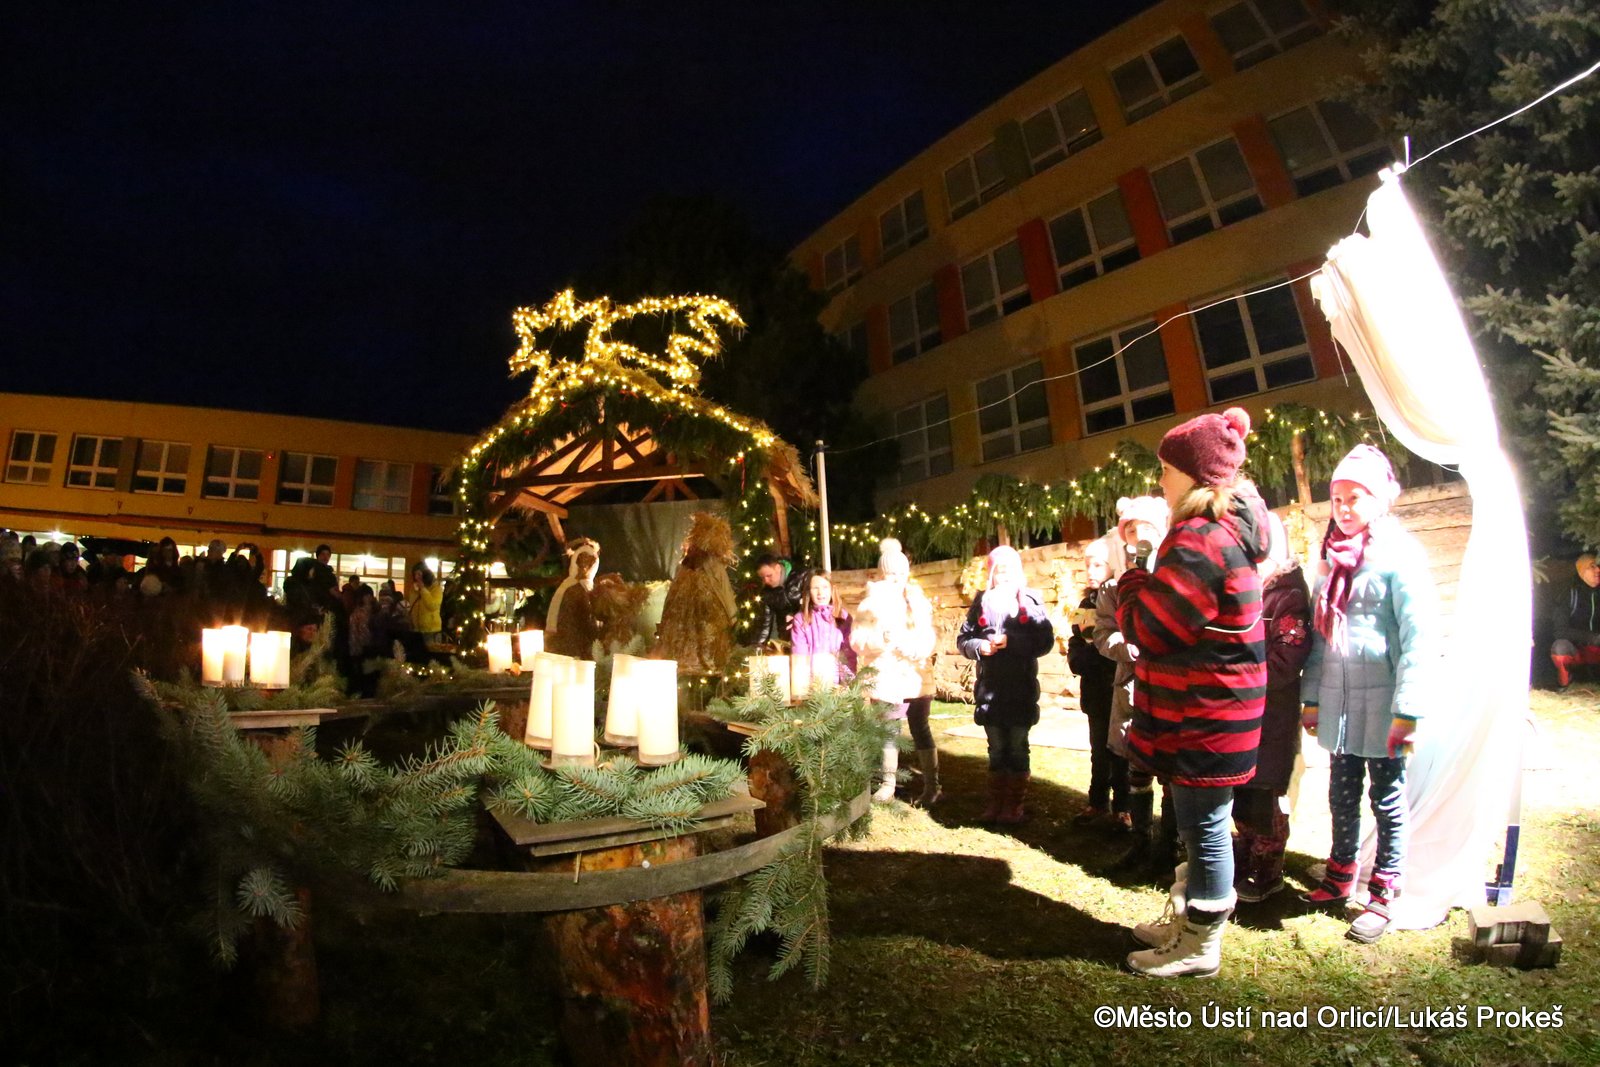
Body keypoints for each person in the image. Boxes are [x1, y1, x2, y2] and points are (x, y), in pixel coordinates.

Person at [1118, 406, 1268, 979]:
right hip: (1214, 710)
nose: (1160, 481)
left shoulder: (1201, 538)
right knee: (1198, 822)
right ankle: (1188, 918)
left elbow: (1152, 627)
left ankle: (1200, 943)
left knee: (1204, 828)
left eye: (1166, 469)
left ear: (1192, 473)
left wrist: (1133, 579)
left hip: (1206, 713)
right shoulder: (1223, 530)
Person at [1299, 444, 1439, 944]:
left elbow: (1420, 638)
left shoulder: (1399, 557)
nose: (1343, 508)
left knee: (1388, 798)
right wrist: (1313, 698)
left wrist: (1408, 710)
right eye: (1337, 499)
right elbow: (1321, 638)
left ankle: (1383, 891)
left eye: (1354, 497)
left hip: (1384, 707)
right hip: (1340, 705)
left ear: (1379, 500)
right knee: (1341, 794)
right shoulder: (1330, 560)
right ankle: (1341, 872)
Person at [1234, 511, 1312, 903]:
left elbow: (1287, 657)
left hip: (1272, 714)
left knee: (1267, 795)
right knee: (1243, 793)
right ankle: (1245, 855)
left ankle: (1267, 869)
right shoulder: (1246, 587)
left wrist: (1241, 676)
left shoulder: (1287, 594)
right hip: (1243, 713)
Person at [1096, 495, 1176, 874]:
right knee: (1137, 770)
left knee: (1171, 773)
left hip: (1170, 688)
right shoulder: (1114, 586)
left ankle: (1169, 846)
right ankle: (1141, 843)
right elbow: (1103, 632)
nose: (1137, 534)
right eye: (1130, 528)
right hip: (1133, 688)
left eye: (1145, 527)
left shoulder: (1175, 576)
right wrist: (1123, 646)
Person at [956, 544, 1054, 823]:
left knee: (1018, 746)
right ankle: (996, 802)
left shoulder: (1031, 602)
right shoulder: (981, 602)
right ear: (992, 575)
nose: (1005, 576)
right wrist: (979, 646)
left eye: (1009, 570)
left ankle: (1014, 804)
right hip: (990, 690)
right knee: (997, 747)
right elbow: (963, 640)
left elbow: (1044, 641)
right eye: (999, 571)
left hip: (1020, 689)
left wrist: (1013, 642)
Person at [852, 539, 938, 804]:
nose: (896, 578)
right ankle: (888, 783)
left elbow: (928, 635)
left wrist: (917, 649)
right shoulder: (871, 604)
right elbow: (857, 640)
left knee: (920, 727)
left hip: (915, 675)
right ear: (881, 574)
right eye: (890, 574)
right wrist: (880, 641)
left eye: (900, 573)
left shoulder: (917, 601)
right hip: (886, 676)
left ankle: (932, 786)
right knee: (889, 728)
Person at [1065, 540, 1128, 829]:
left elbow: (1116, 646)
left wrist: (1098, 648)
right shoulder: (1084, 605)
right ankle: (1097, 802)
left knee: (1121, 753)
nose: (1091, 570)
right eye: (1087, 565)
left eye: (1098, 565)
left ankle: (1124, 807)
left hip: (1119, 686)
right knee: (1098, 750)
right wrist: (1081, 656)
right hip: (1095, 691)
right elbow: (1077, 640)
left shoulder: (1122, 599)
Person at [653, 513, 738, 673]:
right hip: (706, 628)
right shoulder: (709, 566)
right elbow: (725, 594)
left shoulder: (687, 567)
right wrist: (733, 618)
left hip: (689, 636)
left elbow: (671, 603)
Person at [790, 570, 855, 686]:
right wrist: (802, 686)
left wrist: (849, 683)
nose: (820, 593)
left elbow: (848, 653)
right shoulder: (801, 619)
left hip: (838, 684)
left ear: (831, 590)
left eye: (825, 587)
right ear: (809, 592)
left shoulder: (843, 617)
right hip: (813, 684)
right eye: (815, 588)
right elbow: (799, 655)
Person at [1550, 554, 1600, 687]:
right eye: (1592, 567)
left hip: (1597, 651)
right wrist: (1593, 638)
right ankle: (1567, 683)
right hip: (1577, 651)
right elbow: (1560, 631)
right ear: (1581, 571)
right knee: (1560, 647)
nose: (1598, 570)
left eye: (1598, 566)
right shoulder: (1569, 594)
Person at [752, 554, 807, 648]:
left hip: (808, 632)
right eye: (762, 578)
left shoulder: (802, 576)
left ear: (778, 568)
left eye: (769, 575)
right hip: (787, 639)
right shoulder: (766, 593)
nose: (766, 581)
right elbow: (765, 623)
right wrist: (759, 646)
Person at [408, 562, 444, 643]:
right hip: (416, 629)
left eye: (419, 574)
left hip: (431, 630)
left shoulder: (436, 588)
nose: (416, 577)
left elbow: (432, 605)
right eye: (415, 574)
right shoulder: (413, 589)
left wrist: (423, 589)